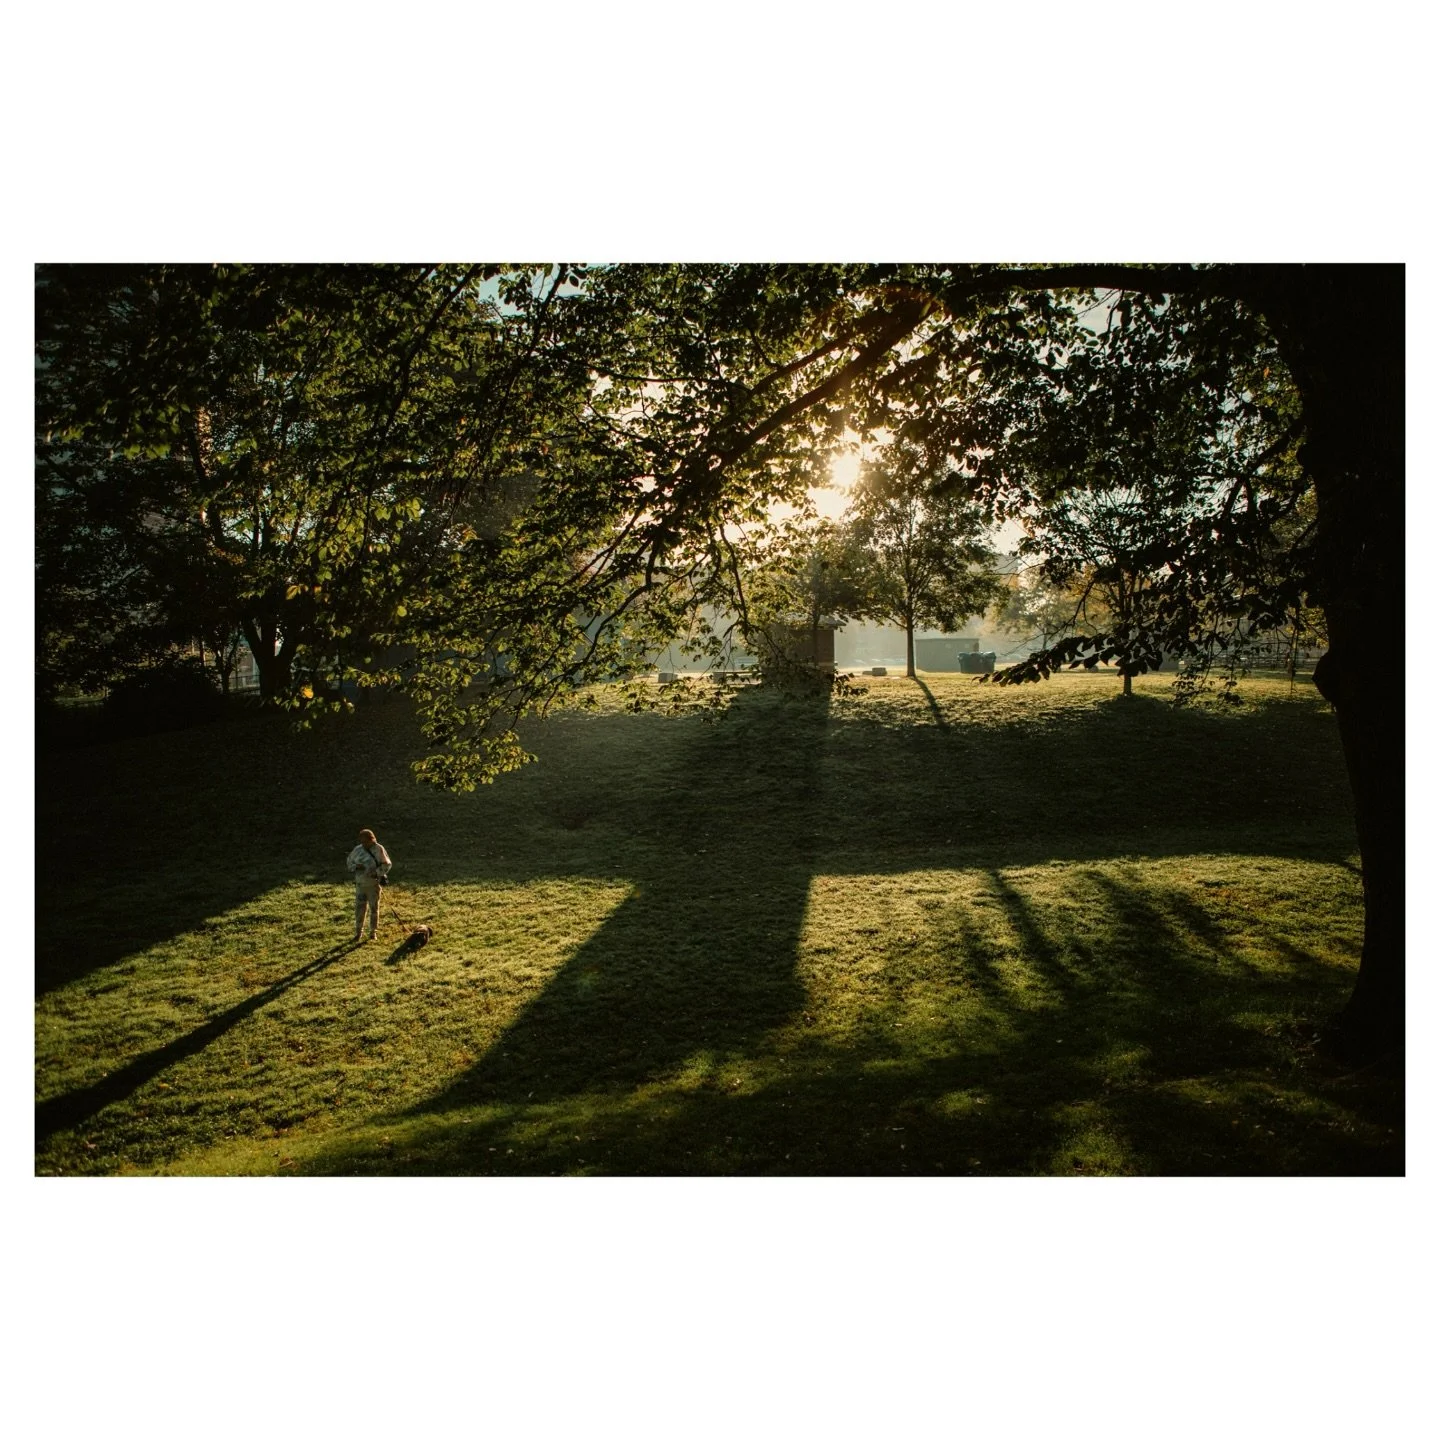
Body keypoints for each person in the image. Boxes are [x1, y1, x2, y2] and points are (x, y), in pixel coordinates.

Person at [346, 828, 392, 942]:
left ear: (372, 839)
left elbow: (387, 864)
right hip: (361, 884)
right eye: (362, 842)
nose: (364, 844)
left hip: (373, 885)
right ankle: (358, 932)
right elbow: (349, 863)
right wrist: (356, 867)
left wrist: (376, 873)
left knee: (374, 909)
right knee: (359, 909)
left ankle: (373, 932)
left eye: (366, 842)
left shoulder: (378, 849)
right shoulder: (357, 850)